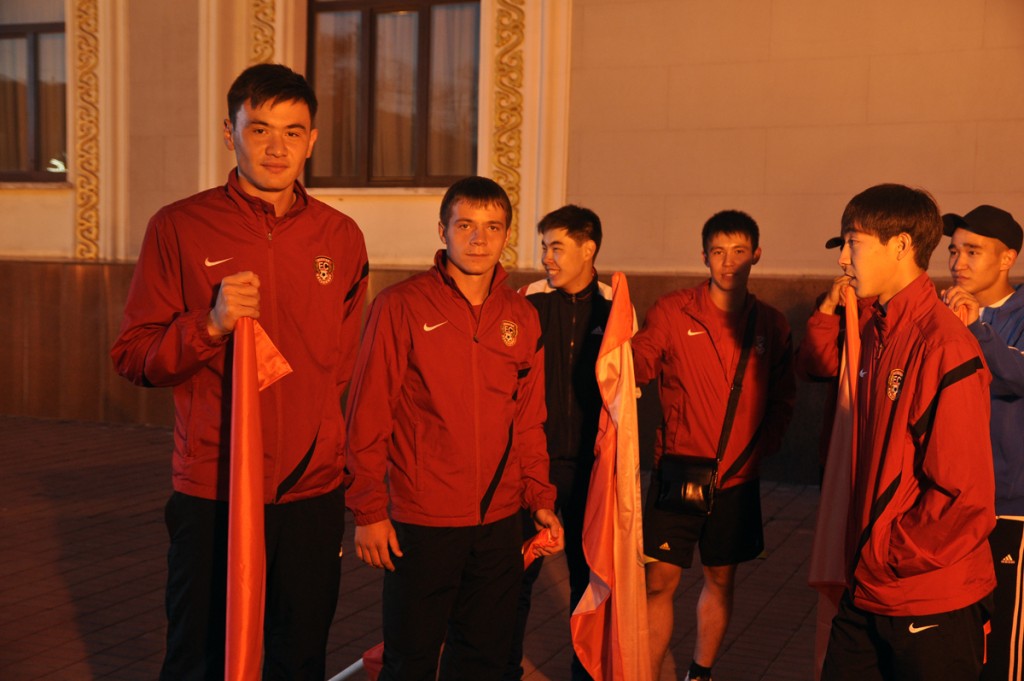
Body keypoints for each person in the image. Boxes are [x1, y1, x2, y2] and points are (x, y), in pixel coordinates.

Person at [110, 63, 368, 679]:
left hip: (311, 491)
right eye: (259, 130)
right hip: (216, 486)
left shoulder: (340, 236)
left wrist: (331, 452)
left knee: (298, 657)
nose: (277, 147)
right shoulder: (178, 226)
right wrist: (209, 326)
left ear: (311, 139)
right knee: (199, 657)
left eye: (292, 132)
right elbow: (134, 355)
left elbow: (341, 366)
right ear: (230, 133)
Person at [345, 176, 564, 681]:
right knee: (411, 661)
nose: (479, 239)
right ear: (442, 230)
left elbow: (528, 420)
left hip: (499, 520)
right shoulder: (400, 305)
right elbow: (368, 413)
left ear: (506, 234)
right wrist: (369, 510)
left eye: (492, 227)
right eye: (465, 225)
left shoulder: (521, 316)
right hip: (424, 519)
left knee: (483, 661)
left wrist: (539, 496)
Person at [801, 184, 996, 680]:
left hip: (928, 594)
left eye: (854, 242)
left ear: (902, 246)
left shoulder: (945, 346)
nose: (843, 258)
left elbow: (965, 496)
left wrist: (888, 554)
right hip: (870, 585)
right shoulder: (876, 332)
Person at [633, 210, 795, 681]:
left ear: (756, 255)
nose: (728, 263)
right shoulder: (673, 311)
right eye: (719, 252)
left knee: (720, 580)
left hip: (737, 478)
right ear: (703, 256)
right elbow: (641, 362)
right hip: (678, 471)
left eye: (739, 252)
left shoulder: (771, 324)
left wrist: (761, 447)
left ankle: (700, 672)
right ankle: (647, 672)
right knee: (658, 583)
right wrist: (620, 362)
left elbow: (784, 395)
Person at [506, 205, 613, 681]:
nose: (546, 257)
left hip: (591, 466)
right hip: (535, 462)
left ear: (588, 249)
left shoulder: (615, 307)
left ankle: (584, 671)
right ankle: (503, 668)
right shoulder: (527, 302)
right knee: (518, 574)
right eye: (544, 246)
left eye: (556, 247)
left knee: (586, 576)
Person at [940, 204, 1024, 681]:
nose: (959, 262)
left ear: (1007, 257)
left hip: (1010, 505)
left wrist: (976, 330)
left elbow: (1016, 374)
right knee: (963, 635)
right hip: (958, 500)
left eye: (973, 251)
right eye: (954, 251)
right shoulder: (946, 308)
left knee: (1007, 638)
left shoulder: (1014, 315)